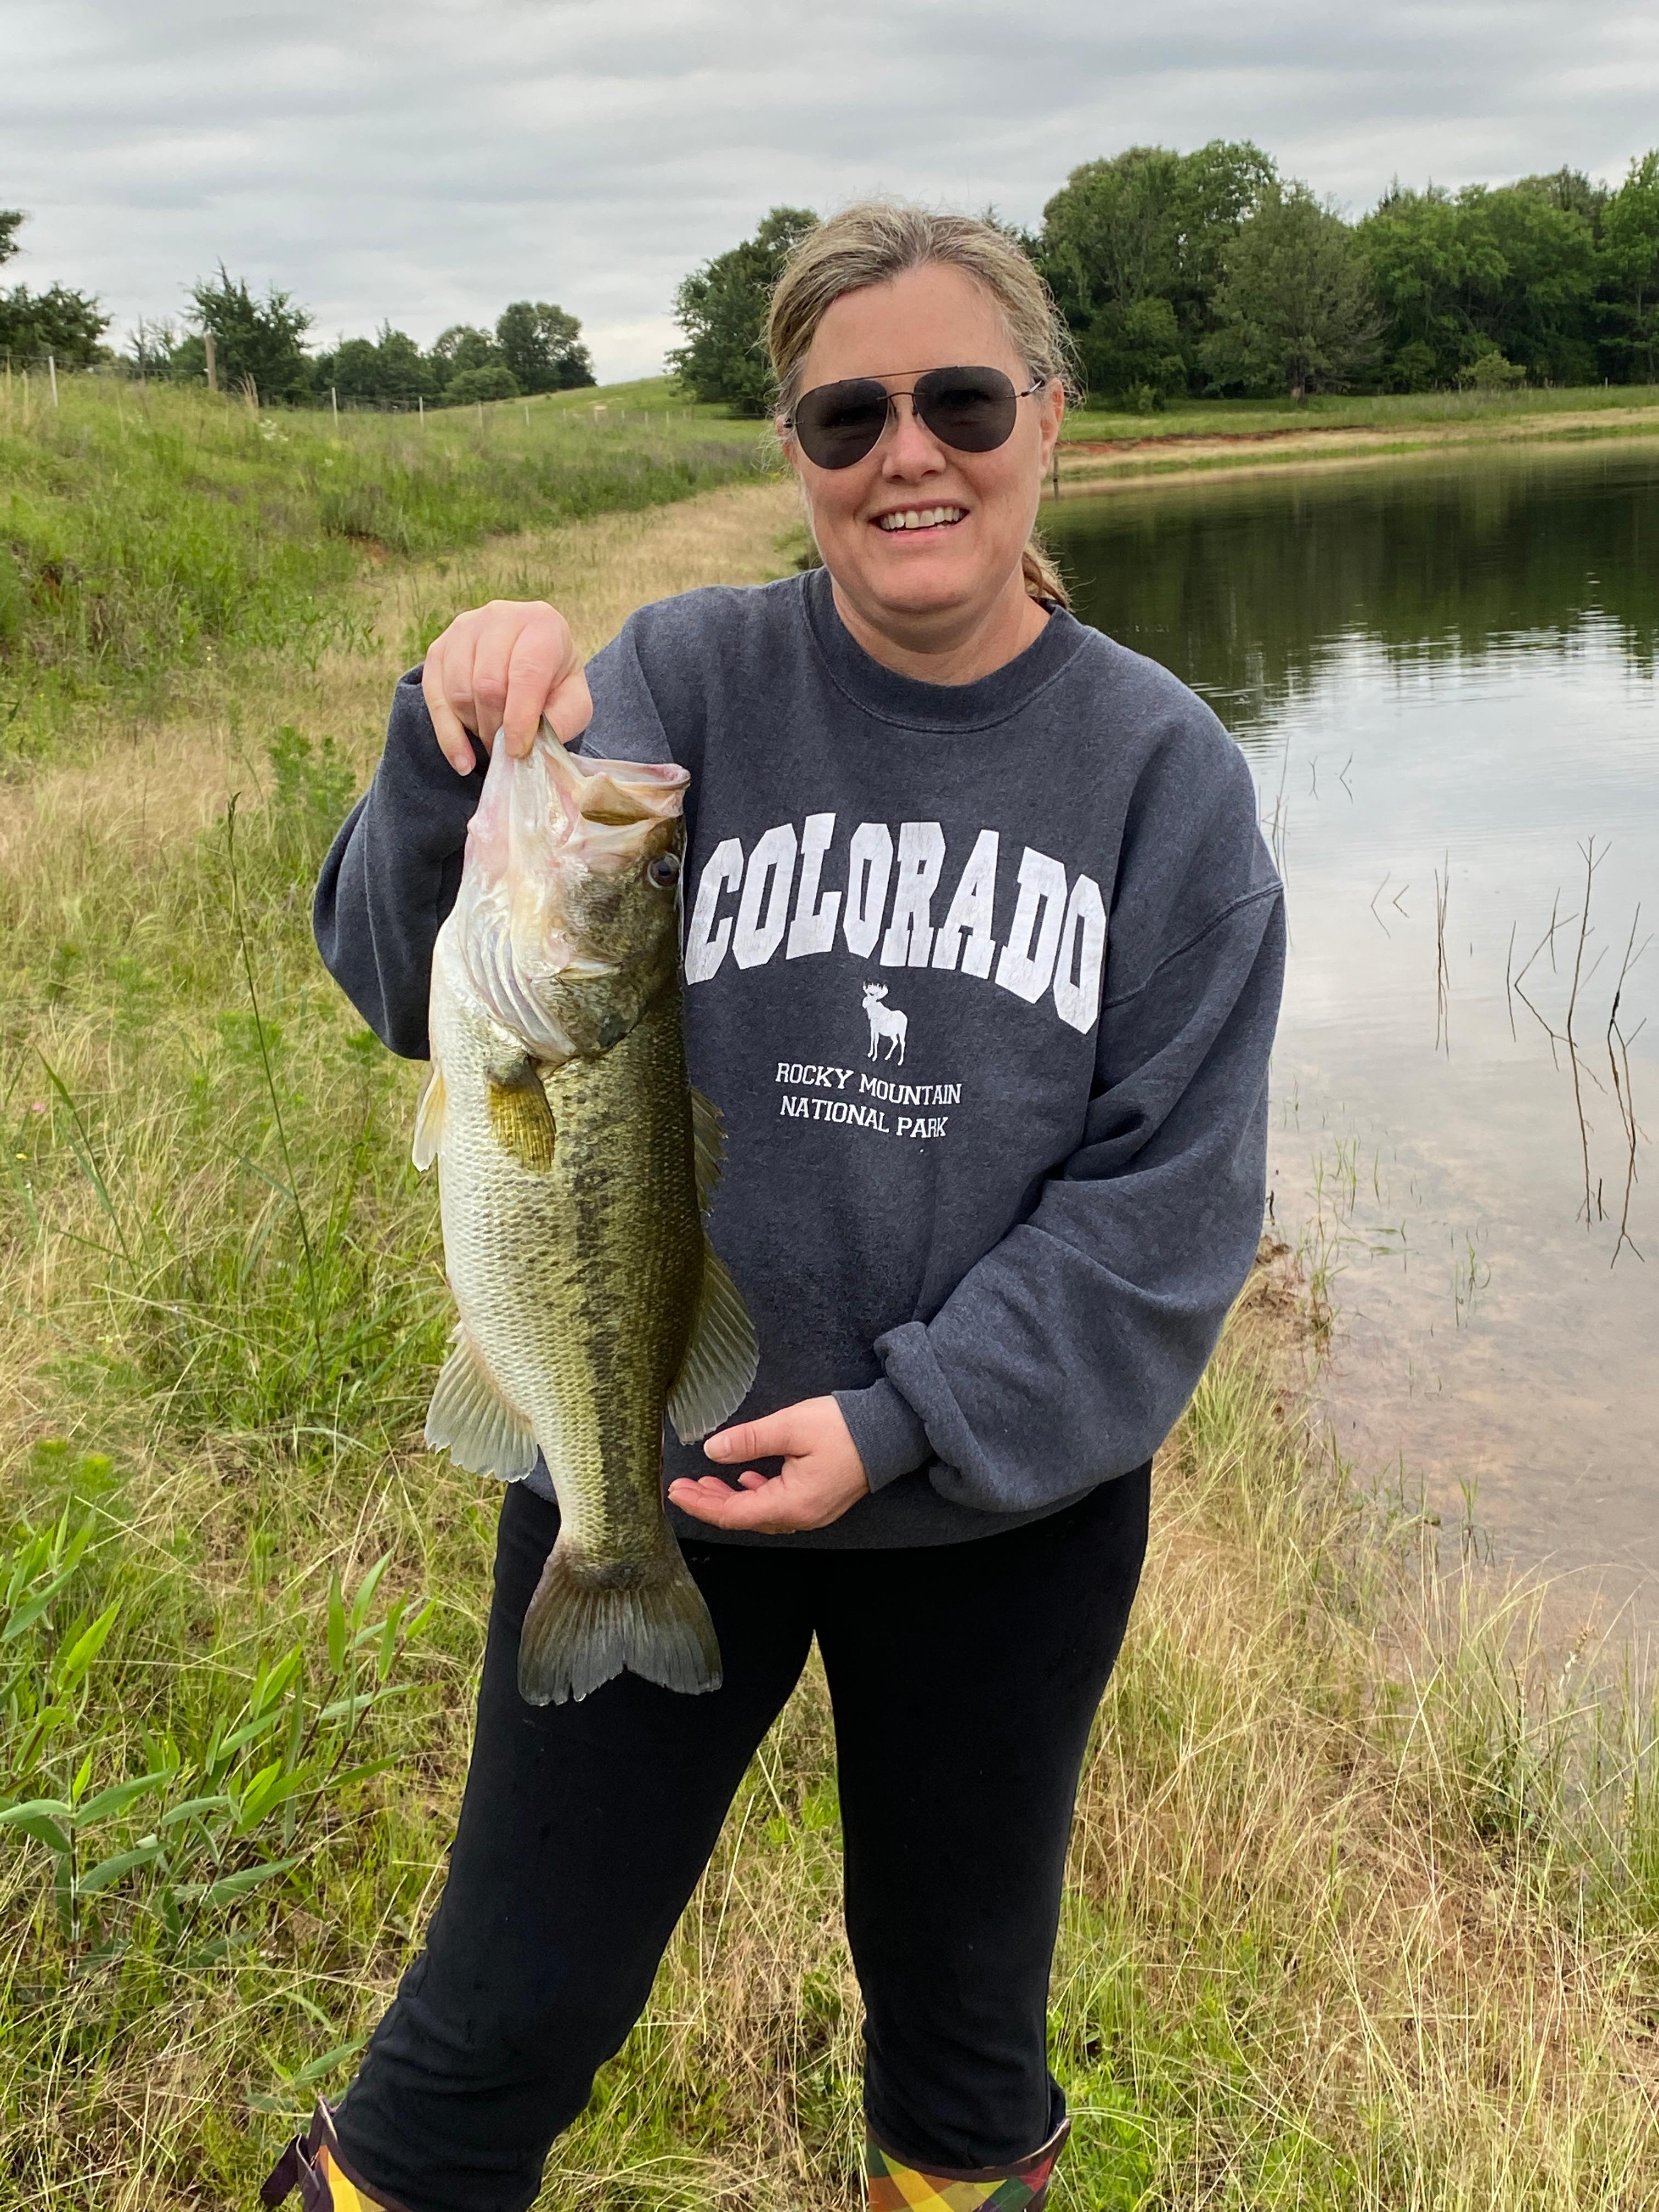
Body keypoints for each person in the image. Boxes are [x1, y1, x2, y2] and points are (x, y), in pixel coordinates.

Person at [262, 201, 1284, 2212]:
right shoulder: (695, 678)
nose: (911, 452)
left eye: (962, 400)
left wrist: (903, 1421)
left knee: (966, 2050)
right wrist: (445, 739)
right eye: (847, 418)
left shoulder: (1165, 777)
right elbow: (425, 984)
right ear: (796, 455)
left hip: (997, 1523)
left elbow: (1162, 1216)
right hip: (646, 1456)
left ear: (1048, 421)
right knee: (491, 2030)